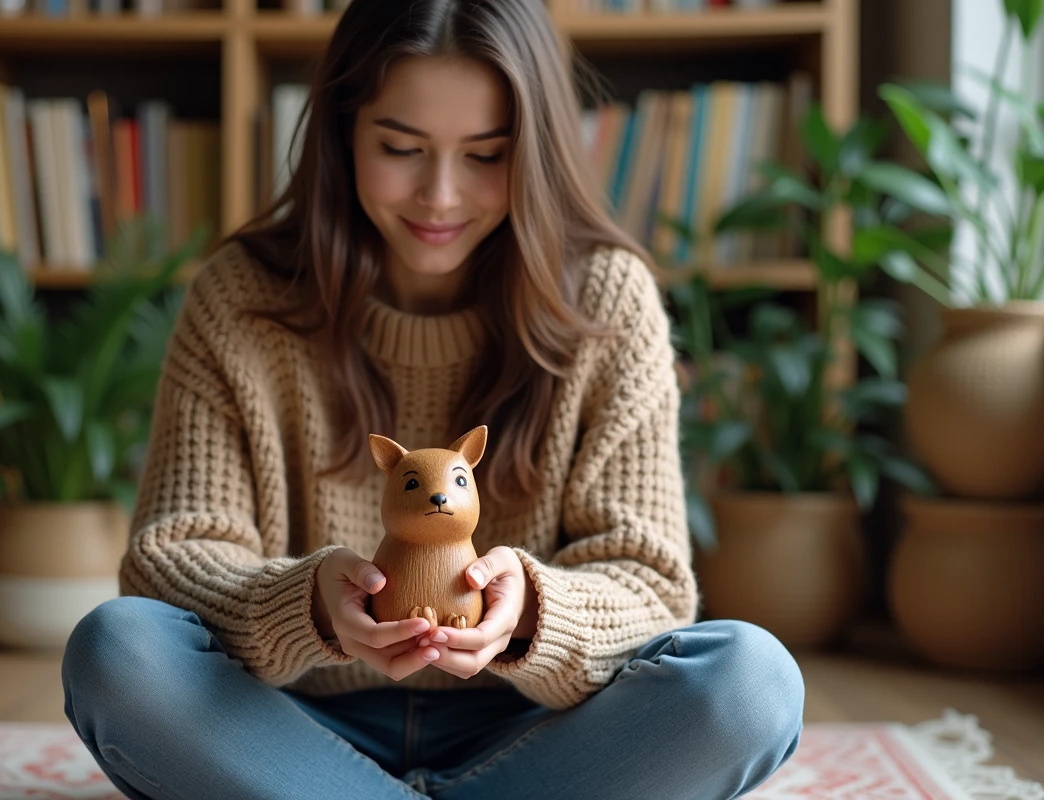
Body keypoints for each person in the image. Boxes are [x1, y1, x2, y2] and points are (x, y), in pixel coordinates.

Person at [61, 0, 805, 797]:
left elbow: (652, 587)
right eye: (400, 147)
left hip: (538, 732)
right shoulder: (241, 302)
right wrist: (306, 603)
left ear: (537, 151)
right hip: (288, 725)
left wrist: (530, 615)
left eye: (486, 155)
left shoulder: (605, 302)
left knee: (751, 683)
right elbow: (168, 562)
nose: (441, 195)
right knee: (117, 651)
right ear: (343, 130)